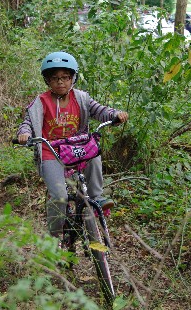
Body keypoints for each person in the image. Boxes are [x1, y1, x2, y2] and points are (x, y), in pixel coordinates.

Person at [17, 51, 129, 238]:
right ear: (48, 81)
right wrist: (25, 133)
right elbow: (28, 122)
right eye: (55, 78)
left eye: (65, 78)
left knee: (94, 152)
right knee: (59, 197)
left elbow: (99, 110)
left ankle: (97, 197)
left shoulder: (81, 98)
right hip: (51, 151)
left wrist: (115, 115)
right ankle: (55, 236)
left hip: (77, 147)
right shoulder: (41, 102)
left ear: (72, 78)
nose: (60, 82)